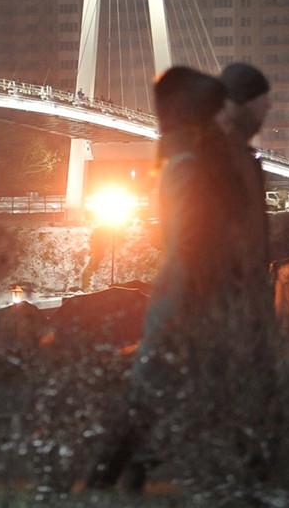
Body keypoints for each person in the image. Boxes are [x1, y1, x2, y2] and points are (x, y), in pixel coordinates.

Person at [87, 65, 246, 490]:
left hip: (187, 296)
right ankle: (114, 479)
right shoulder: (197, 166)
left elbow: (188, 241)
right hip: (196, 298)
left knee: (157, 397)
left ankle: (114, 480)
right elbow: (198, 241)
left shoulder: (186, 165)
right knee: (176, 398)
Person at [218, 62, 273, 306]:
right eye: (264, 101)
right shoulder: (213, 159)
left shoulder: (247, 158)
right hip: (224, 308)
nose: (269, 107)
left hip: (247, 305)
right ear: (248, 103)